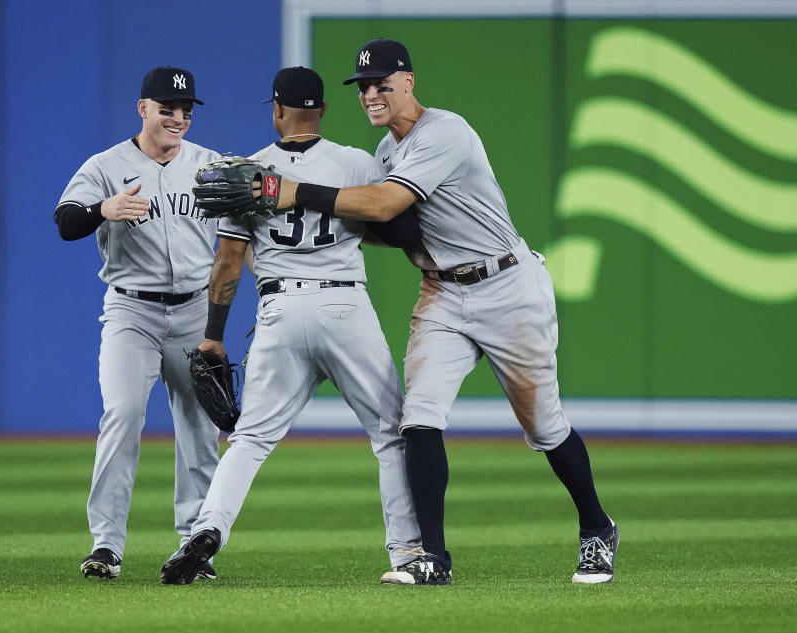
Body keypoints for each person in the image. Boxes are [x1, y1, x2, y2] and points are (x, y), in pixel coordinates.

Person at [264, 39, 618, 585]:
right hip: (443, 294)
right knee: (419, 418)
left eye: (382, 82)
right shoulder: (385, 155)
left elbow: (381, 205)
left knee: (545, 426)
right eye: (363, 87)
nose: (372, 94)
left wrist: (290, 191)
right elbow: (387, 226)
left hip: (507, 285)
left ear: (408, 80)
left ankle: (597, 527)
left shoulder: (445, 132)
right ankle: (431, 558)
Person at [158, 66, 424, 585]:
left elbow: (228, 263)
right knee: (390, 436)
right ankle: (407, 553)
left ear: (276, 111)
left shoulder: (249, 169)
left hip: (278, 309)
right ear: (323, 110)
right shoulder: (354, 161)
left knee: (250, 440)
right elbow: (393, 226)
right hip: (344, 306)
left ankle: (205, 532)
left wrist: (213, 334)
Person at [54, 66, 222, 580]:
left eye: (185, 110)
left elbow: (244, 233)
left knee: (200, 426)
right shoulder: (107, 166)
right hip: (132, 310)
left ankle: (196, 545)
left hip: (195, 309)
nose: (178, 117)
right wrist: (104, 207)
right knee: (123, 414)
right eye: (167, 108)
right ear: (143, 108)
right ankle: (106, 545)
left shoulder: (210, 165)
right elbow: (65, 222)